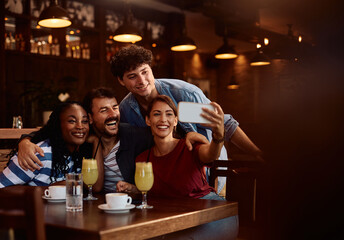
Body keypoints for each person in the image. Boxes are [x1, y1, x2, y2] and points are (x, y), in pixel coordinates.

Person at [110, 44, 263, 193]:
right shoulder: (126, 110)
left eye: (145, 72)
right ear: (121, 80)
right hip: (168, 182)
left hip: (209, 172)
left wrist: (257, 154)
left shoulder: (183, 95)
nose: (142, 81)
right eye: (132, 76)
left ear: (151, 69)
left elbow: (225, 125)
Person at [16, 88, 208, 193]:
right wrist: (25, 141)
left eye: (115, 108)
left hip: (130, 207)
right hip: (96, 209)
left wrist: (187, 134)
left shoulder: (133, 135)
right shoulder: (83, 137)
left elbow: (164, 128)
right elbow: (52, 131)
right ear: (90, 118)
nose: (113, 114)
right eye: (104, 110)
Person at [118, 95, 225, 200]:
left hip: (205, 207)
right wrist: (133, 188)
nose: (163, 119)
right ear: (148, 120)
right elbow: (156, 193)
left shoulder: (189, 146)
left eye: (169, 114)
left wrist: (218, 136)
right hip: (173, 213)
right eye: (156, 114)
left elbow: (211, 155)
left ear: (175, 121)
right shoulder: (143, 159)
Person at [0, 101, 92, 188]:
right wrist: (45, 190)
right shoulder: (40, 155)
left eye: (84, 121)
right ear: (58, 125)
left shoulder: (78, 156)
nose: (80, 126)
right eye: (72, 121)